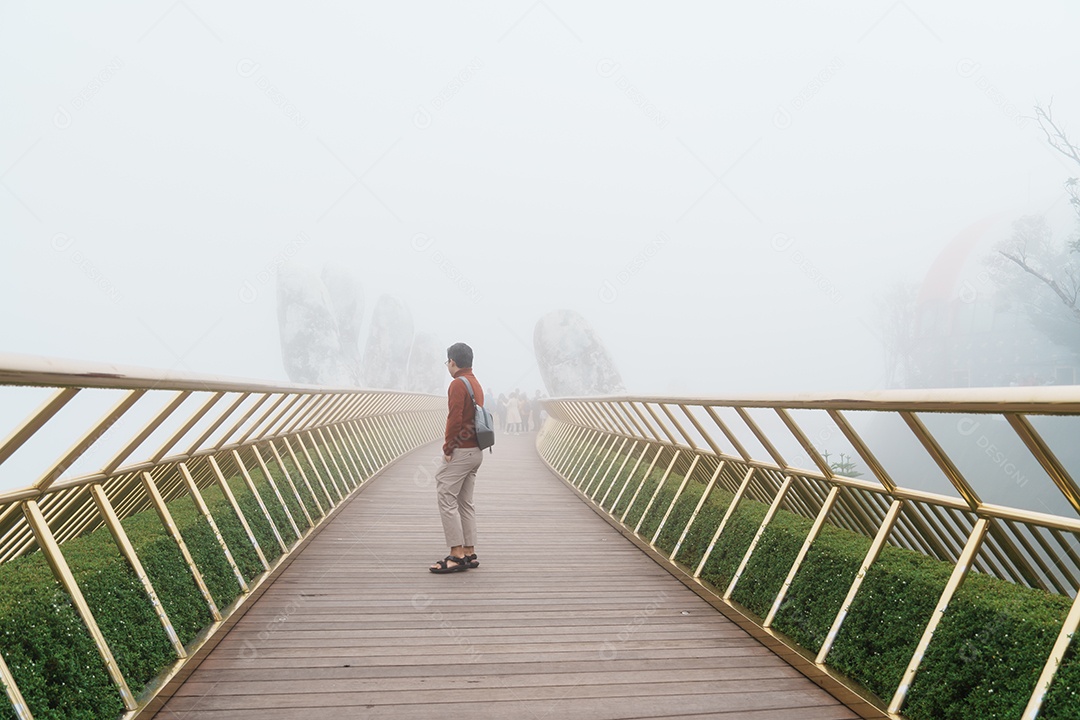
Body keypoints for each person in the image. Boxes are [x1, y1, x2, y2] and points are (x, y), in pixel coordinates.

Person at [429, 342, 485, 574]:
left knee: (445, 497)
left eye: (447, 362)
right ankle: (470, 551)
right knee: (465, 502)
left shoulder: (457, 384)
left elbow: (455, 419)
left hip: (461, 450)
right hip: (477, 451)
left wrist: (448, 448)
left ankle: (456, 554)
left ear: (452, 361)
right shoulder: (475, 383)